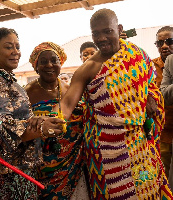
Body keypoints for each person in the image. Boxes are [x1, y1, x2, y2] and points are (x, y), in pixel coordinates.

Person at [43, 8, 173, 199]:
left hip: (140, 146)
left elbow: (150, 84)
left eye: (107, 31)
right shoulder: (88, 69)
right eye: (96, 33)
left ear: (119, 29)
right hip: (107, 153)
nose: (101, 38)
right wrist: (50, 121)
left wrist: (150, 98)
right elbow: (67, 103)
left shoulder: (136, 53)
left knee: (149, 192)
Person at [0, 28, 59, 200]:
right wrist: (41, 129)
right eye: (8, 47)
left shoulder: (5, 79)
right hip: (1, 173)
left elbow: (14, 117)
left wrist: (36, 121)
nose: (16, 52)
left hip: (14, 168)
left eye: (17, 46)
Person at [25, 42, 89, 200]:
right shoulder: (26, 93)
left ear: (61, 63)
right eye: (43, 62)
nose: (49, 65)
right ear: (36, 66)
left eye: (54, 60)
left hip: (73, 164)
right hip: (41, 167)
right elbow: (21, 127)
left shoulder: (71, 90)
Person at [152, 26, 173, 178]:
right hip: (162, 135)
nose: (164, 46)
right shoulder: (148, 67)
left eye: (170, 41)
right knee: (163, 178)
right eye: (160, 43)